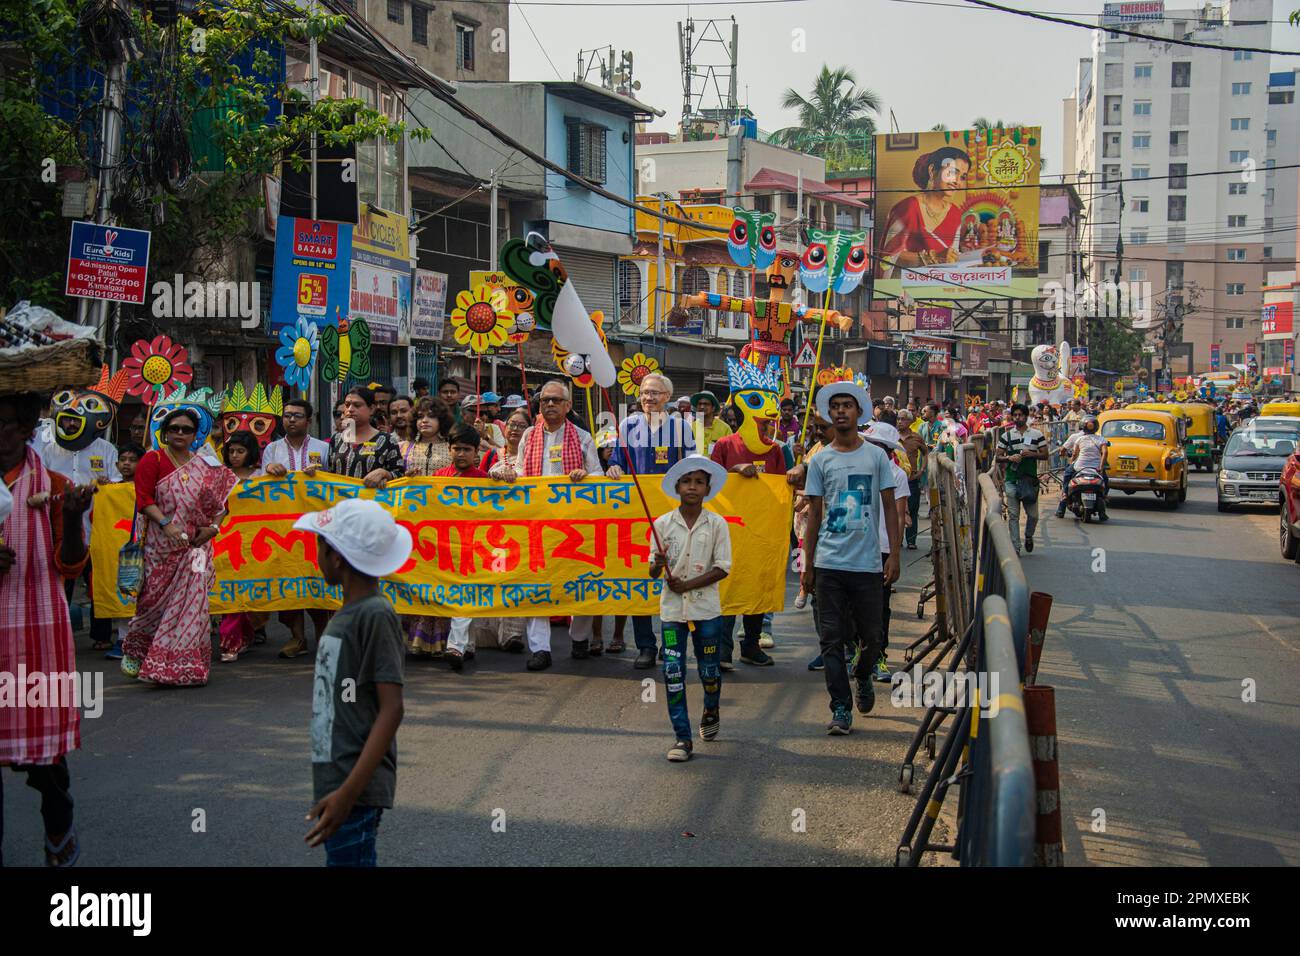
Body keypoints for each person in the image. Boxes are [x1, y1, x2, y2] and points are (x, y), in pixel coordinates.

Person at [1, 391, 94, 867]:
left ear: (24, 428)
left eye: (5, 425)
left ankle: (59, 824)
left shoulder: (55, 485)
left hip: (37, 629)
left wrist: (74, 517)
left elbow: (72, 564)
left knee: (43, 763)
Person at [294, 498, 410, 867]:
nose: (317, 555)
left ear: (338, 557)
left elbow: (392, 708)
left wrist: (348, 793)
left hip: (354, 786)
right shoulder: (350, 612)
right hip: (336, 776)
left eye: (321, 546)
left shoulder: (374, 614)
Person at [799, 381, 900, 734]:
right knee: (830, 639)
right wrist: (807, 565)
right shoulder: (820, 459)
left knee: (872, 637)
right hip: (829, 564)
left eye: (848, 405)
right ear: (830, 414)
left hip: (868, 564)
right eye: (836, 406)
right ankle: (840, 707)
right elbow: (813, 515)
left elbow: (890, 506)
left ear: (859, 413)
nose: (841, 411)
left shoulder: (875, 457)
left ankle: (863, 673)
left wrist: (894, 556)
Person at [120, 407, 238, 686]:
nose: (180, 434)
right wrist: (166, 525)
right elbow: (144, 499)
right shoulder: (153, 459)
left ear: (195, 435)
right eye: (175, 429)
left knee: (192, 604)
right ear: (165, 432)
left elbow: (222, 505)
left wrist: (213, 528)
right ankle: (140, 652)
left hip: (196, 548)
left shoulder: (204, 465)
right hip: (160, 547)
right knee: (152, 602)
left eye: (186, 430)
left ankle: (183, 664)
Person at [504, 381, 604, 670]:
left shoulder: (583, 438)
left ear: (568, 406)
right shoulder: (529, 437)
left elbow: (597, 474)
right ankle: (540, 648)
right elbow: (521, 471)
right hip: (537, 522)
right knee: (537, 584)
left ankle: (580, 637)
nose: (549, 404)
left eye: (556, 400)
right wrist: (507, 474)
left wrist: (584, 475)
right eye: (545, 400)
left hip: (574, 524)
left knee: (582, 582)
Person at [606, 372, 695, 669]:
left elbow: (693, 467)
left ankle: (670, 645)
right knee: (640, 580)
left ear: (667, 397)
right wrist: (614, 468)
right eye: (644, 393)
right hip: (635, 514)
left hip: (671, 515)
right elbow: (616, 459)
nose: (648, 398)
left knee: (672, 579)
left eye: (655, 393)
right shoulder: (627, 425)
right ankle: (645, 645)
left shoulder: (682, 428)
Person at [648, 455, 732, 763]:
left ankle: (711, 707)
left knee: (710, 671)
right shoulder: (661, 525)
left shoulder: (718, 524)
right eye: (687, 481)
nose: (692, 487)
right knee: (673, 672)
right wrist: (657, 564)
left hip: (707, 611)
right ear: (677, 487)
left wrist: (689, 584)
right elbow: (653, 571)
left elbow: (723, 568)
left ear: (708, 488)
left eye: (699, 482)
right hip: (672, 615)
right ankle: (682, 737)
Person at [708, 398, 789, 668]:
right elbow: (710, 482)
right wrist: (734, 470)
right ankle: (722, 649)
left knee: (758, 587)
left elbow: (781, 488)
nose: (766, 427)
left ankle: (751, 646)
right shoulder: (724, 445)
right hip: (728, 528)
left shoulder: (775, 450)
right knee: (728, 587)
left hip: (762, 530)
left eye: (768, 423)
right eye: (762, 422)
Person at [263, 399, 331, 660]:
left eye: (297, 416)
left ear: (309, 420)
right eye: (287, 415)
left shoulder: (323, 448)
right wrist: (268, 468)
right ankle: (297, 637)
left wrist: (319, 476)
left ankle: (324, 634)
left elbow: (334, 482)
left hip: (317, 525)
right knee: (288, 582)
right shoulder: (271, 449)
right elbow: (259, 484)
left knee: (317, 579)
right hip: (283, 526)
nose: (291, 420)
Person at [433, 425, 491, 672]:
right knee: (461, 595)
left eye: (467, 449)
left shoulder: (486, 481)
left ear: (476, 452)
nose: (461, 454)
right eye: (456, 449)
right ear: (449, 449)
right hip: (445, 546)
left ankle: (455, 646)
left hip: (474, 547)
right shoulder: (436, 479)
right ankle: (467, 646)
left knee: (465, 594)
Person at [863, 422, 911, 684]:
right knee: (852, 607)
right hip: (856, 547)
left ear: (886, 449)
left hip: (881, 549)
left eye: (875, 445)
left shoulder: (898, 475)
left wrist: (895, 554)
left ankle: (878, 656)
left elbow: (900, 516)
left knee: (880, 608)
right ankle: (858, 654)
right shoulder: (856, 468)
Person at [876, 146, 970, 277]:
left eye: (963, 177)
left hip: (940, 287)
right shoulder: (908, 208)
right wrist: (932, 257)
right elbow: (887, 257)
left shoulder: (955, 213)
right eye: (953, 172)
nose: (957, 182)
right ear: (932, 171)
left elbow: (950, 258)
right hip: (905, 289)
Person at [218, 431, 269, 663]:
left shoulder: (262, 476)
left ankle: (246, 635)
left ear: (250, 453)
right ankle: (231, 642)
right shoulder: (220, 477)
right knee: (231, 592)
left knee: (251, 591)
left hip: (256, 541)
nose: (235, 455)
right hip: (226, 540)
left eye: (241, 451)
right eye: (231, 451)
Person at [313, 388, 403, 487]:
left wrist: (385, 474)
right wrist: (315, 473)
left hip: (371, 500)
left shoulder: (387, 440)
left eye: (357, 405)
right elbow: (330, 473)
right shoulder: (337, 439)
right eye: (347, 405)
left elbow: (400, 474)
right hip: (340, 500)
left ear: (371, 409)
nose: (350, 409)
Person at [997, 403, 1048, 555]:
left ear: (1026, 416)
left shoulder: (1037, 434)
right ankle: (1015, 547)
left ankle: (1029, 536)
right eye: (1015, 415)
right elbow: (998, 456)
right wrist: (1009, 458)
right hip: (1012, 480)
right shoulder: (1006, 435)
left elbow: (1045, 454)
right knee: (1013, 515)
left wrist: (1031, 454)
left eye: (1020, 415)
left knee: (1033, 515)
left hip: (1030, 480)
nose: (1017, 417)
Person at [1055, 415, 1110, 521]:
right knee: (1105, 480)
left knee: (1067, 475)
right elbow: (1105, 452)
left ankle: (1065, 496)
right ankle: (1104, 497)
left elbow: (1075, 454)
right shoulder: (1101, 439)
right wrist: (1101, 467)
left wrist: (1071, 462)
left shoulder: (1079, 438)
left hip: (1079, 466)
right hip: (1095, 468)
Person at [896, 409, 928, 550]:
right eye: (899, 419)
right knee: (897, 509)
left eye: (903, 419)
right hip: (896, 479)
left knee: (913, 509)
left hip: (911, 478)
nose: (900, 421)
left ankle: (911, 540)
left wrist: (922, 470)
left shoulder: (916, 437)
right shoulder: (893, 437)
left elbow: (926, 453)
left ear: (910, 422)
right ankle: (897, 539)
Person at [483, 406, 530, 479]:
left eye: (522, 426)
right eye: (512, 425)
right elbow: (480, 478)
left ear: (529, 431)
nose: (515, 429)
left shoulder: (532, 457)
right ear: (505, 428)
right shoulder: (491, 455)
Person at [691, 391, 732, 455]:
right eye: (699, 404)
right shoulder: (690, 427)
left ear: (713, 408)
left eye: (706, 404)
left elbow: (729, 453)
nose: (702, 407)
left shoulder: (725, 428)